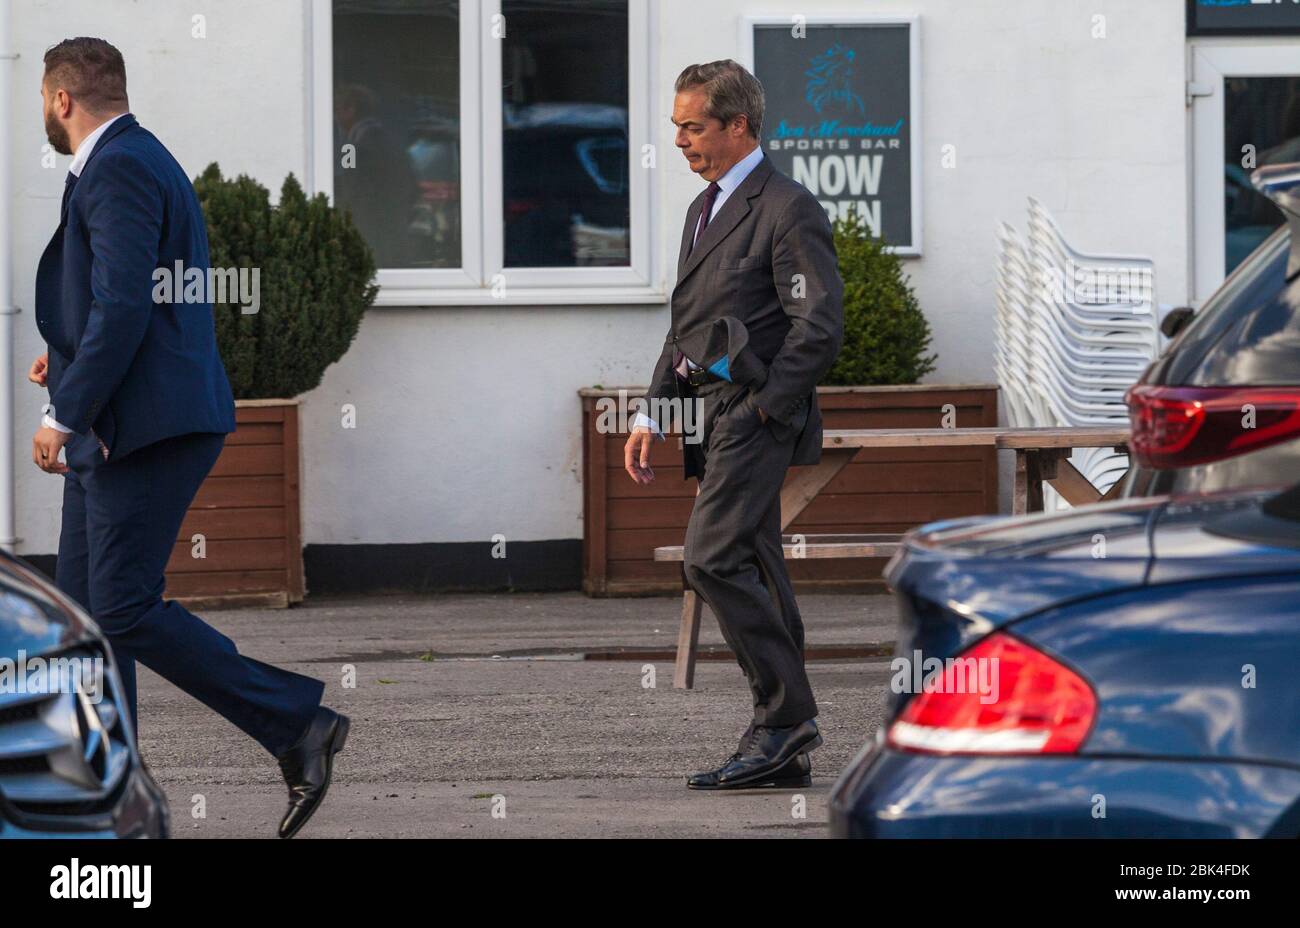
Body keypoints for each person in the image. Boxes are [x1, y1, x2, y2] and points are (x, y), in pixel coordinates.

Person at [29, 37, 348, 838]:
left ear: (61, 99)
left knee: (125, 608)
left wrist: (63, 410)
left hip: (145, 431)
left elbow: (129, 305)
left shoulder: (121, 166)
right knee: (83, 618)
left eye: (41, 100)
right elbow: (120, 299)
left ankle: (296, 724)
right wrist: (66, 352)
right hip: (122, 426)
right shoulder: (128, 159)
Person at [624, 59, 844, 791]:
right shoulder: (703, 207)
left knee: (711, 560)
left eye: (694, 126)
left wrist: (762, 408)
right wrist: (655, 412)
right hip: (711, 414)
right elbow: (687, 327)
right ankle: (788, 749)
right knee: (754, 562)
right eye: (678, 127)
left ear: (737, 125)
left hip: (755, 416)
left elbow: (820, 327)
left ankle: (785, 720)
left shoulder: (786, 207)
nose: (681, 140)